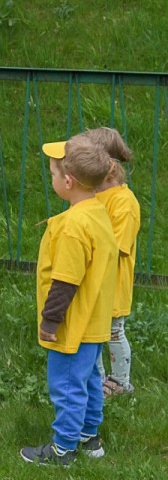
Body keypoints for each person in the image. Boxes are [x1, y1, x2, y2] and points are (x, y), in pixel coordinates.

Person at [20, 137, 117, 466]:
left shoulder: (75, 226)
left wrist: (50, 321)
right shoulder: (96, 212)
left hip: (73, 324)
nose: (52, 179)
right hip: (94, 321)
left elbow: (65, 280)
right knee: (88, 380)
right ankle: (90, 437)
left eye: (52, 174)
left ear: (68, 181)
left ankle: (63, 449)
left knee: (66, 385)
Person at [82, 127, 140, 397]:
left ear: (108, 168)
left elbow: (116, 247)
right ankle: (98, 379)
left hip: (112, 283)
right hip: (93, 280)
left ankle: (120, 382)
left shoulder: (124, 204)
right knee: (93, 331)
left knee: (113, 331)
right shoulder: (93, 196)